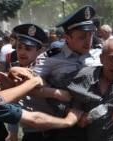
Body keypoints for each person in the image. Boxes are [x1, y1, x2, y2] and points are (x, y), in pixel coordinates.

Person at [8, 5, 102, 141]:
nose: (89, 41)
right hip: (66, 129)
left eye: (90, 34)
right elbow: (29, 87)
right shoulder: (50, 59)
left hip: (96, 126)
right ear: (68, 37)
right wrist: (57, 94)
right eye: (82, 37)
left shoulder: (99, 54)